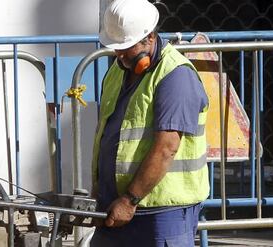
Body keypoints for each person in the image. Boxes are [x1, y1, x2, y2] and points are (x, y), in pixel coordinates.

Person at [90, 0, 210, 246]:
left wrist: (130, 200)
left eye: (126, 47)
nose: (119, 55)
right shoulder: (117, 70)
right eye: (116, 48)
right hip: (115, 207)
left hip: (161, 213)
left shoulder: (175, 76)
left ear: (149, 37)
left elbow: (166, 147)